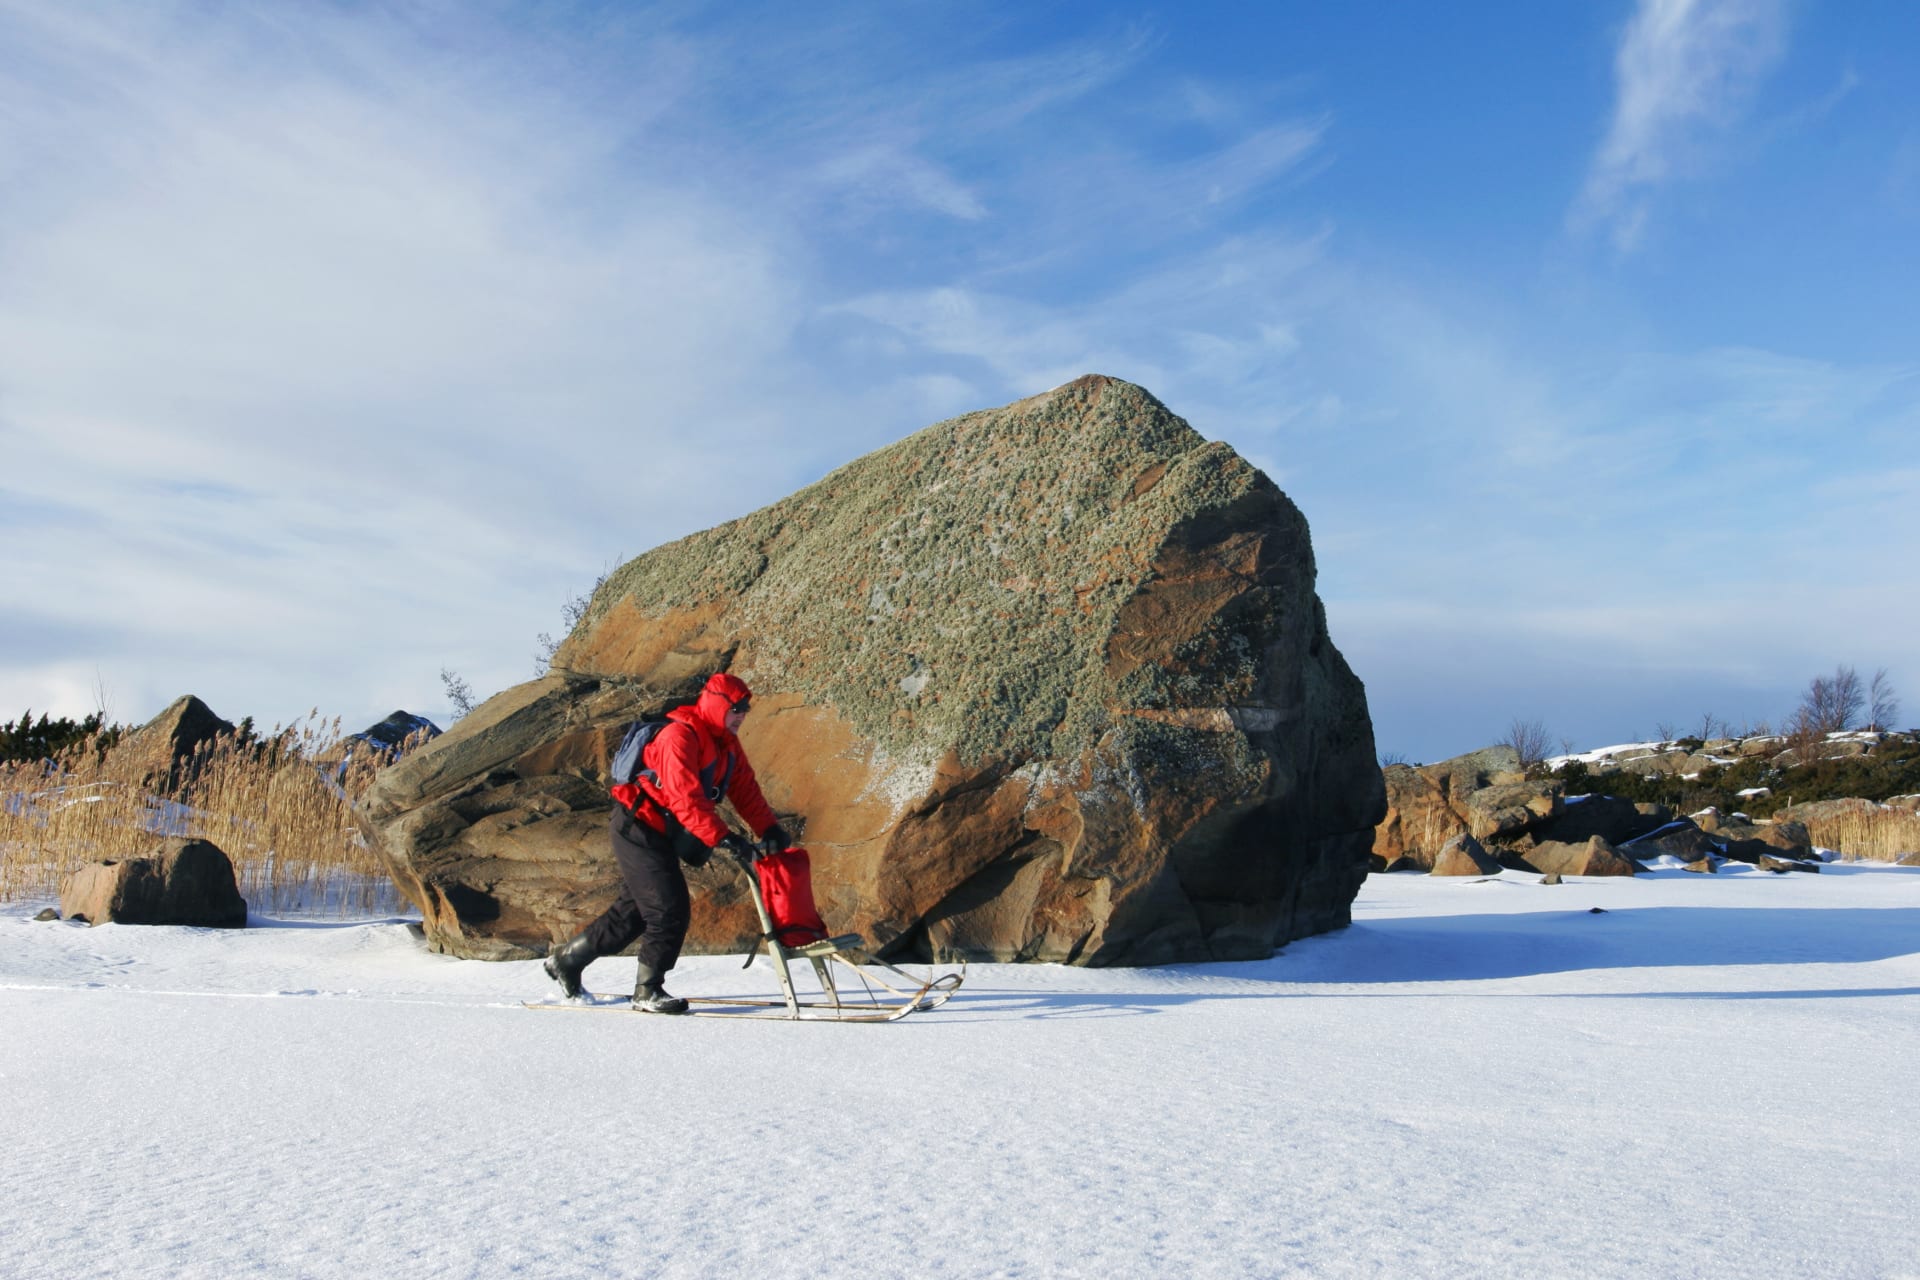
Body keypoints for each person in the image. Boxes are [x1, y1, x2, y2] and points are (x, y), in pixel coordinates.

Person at [544, 671, 793, 1013]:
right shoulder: (679, 736)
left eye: (746, 708)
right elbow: (685, 800)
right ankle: (647, 991)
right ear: (718, 704)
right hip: (637, 826)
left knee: (631, 916)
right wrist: (726, 838)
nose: (743, 714)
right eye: (737, 707)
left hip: (662, 832)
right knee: (668, 907)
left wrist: (770, 829)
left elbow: (746, 791)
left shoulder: (726, 746)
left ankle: (566, 962)